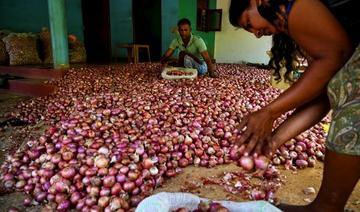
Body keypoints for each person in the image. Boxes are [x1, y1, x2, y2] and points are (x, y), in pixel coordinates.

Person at [229, 0, 359, 211]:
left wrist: (270, 111)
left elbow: (336, 57)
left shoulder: (294, 5)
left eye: (248, 23)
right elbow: (324, 96)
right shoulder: (296, 28)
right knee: (341, 87)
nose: (255, 33)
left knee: (350, 87)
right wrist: (272, 142)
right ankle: (327, 206)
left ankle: (326, 207)